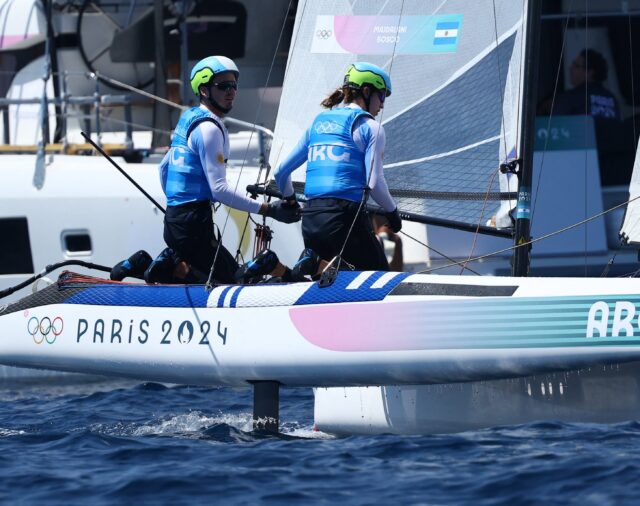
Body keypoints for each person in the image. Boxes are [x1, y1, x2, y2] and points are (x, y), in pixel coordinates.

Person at [111, 56, 299, 284]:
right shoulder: (210, 129)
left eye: (233, 85)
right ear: (204, 90)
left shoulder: (189, 118)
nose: (231, 92)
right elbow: (219, 189)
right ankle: (267, 261)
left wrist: (177, 201)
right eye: (223, 86)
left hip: (175, 219)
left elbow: (164, 168)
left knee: (190, 279)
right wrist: (268, 210)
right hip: (194, 222)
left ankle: (143, 264)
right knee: (231, 281)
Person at [273, 62, 402, 272]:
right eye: (382, 96)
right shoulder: (371, 127)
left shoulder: (317, 123)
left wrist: (289, 200)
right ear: (366, 91)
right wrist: (393, 213)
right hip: (344, 218)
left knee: (331, 280)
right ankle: (314, 263)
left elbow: (280, 172)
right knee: (378, 276)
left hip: (311, 218)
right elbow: (375, 182)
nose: (383, 105)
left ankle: (307, 263)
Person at [552, 49, 620, 119]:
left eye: (576, 65)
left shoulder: (571, 97)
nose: (570, 68)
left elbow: (555, 124)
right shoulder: (611, 98)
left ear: (590, 72)